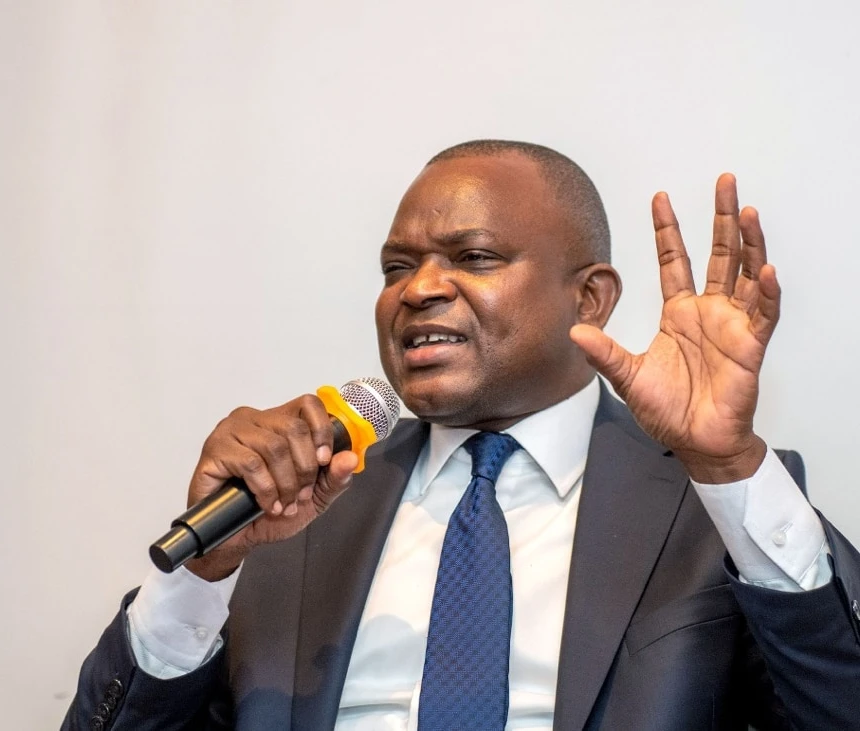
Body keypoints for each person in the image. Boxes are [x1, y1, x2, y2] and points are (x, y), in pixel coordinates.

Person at [64, 141, 860, 730]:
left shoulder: (710, 502)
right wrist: (206, 569)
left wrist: (727, 464)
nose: (418, 290)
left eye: (473, 257)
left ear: (589, 299)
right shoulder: (298, 502)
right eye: (395, 268)